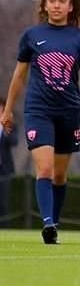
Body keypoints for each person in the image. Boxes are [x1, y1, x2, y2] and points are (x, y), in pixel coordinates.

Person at [1, 0, 80, 244]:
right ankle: (47, 224)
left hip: (68, 111)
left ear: (71, 7)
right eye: (52, 0)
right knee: (44, 169)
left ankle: (54, 223)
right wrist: (8, 110)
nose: (56, 5)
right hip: (38, 110)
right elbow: (19, 75)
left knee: (59, 175)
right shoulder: (32, 36)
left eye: (62, 1)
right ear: (45, 5)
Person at [0, 96, 17, 225]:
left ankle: (5, 227)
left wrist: (3, 127)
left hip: (4, 169)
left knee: (4, 201)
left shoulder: (9, 126)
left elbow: (13, 141)